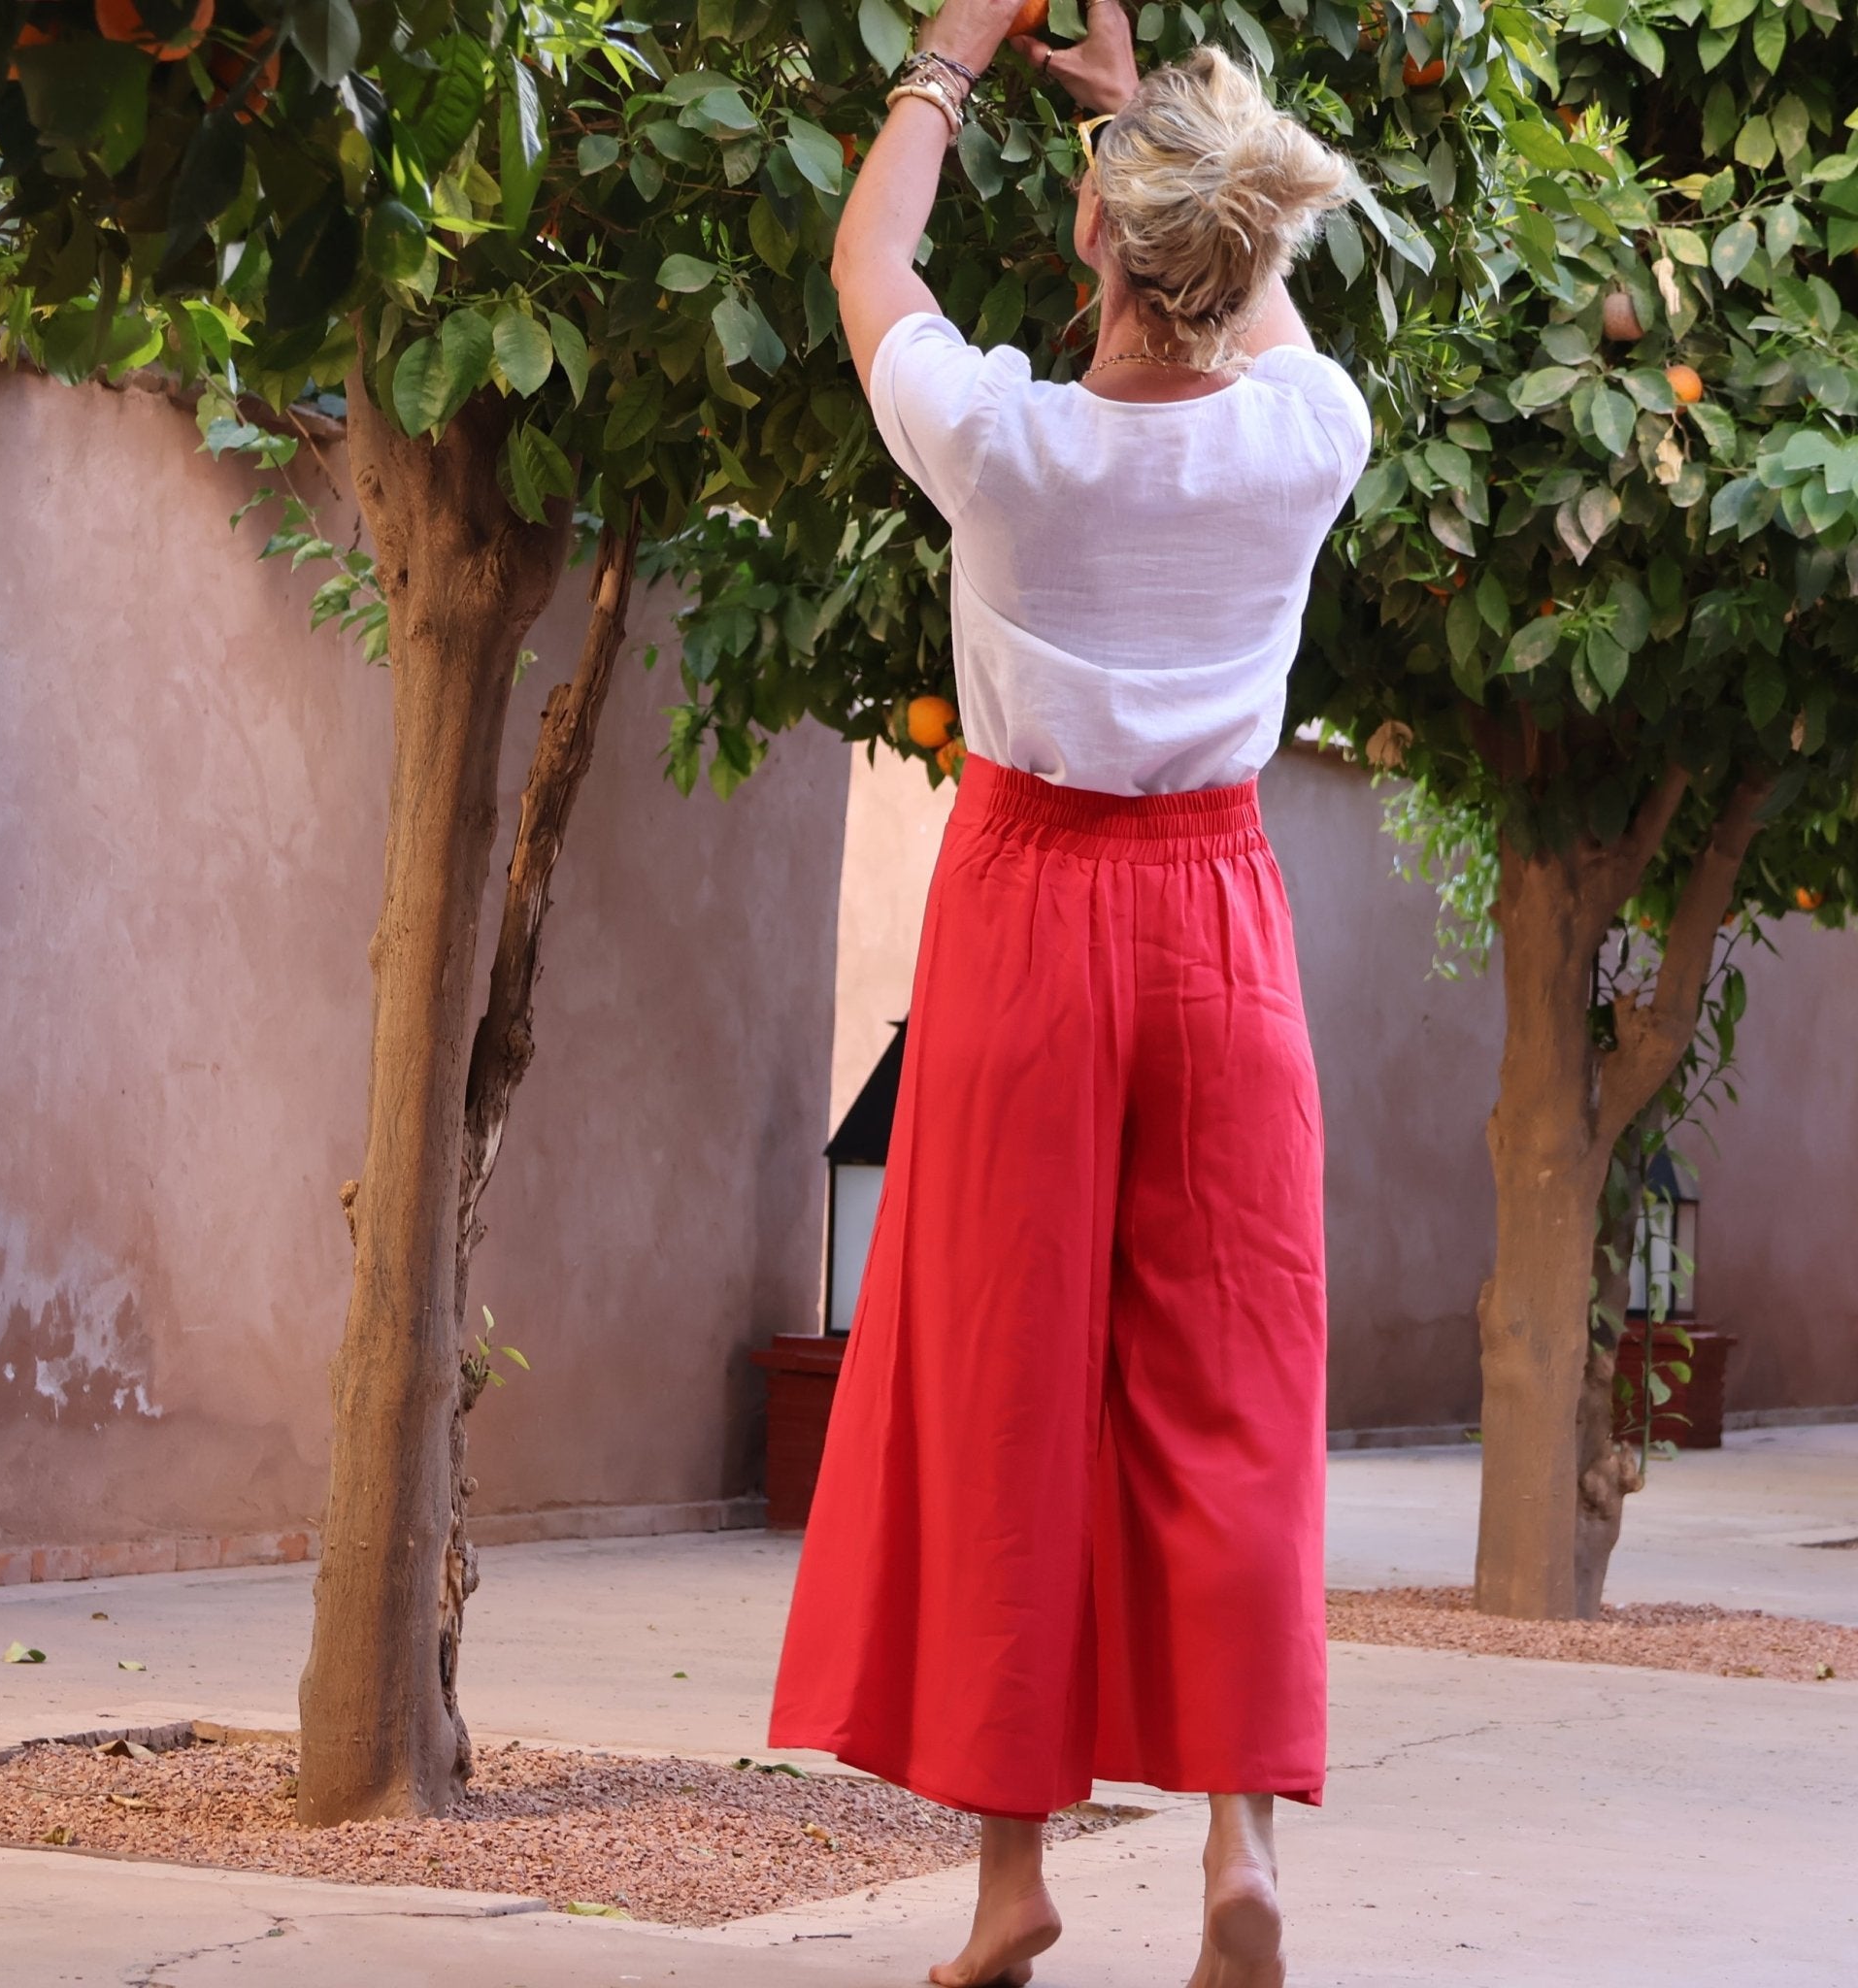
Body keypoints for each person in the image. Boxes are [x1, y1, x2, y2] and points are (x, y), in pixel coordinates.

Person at [768, 3, 1370, 1983]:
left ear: (1096, 242)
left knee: (1001, 1382)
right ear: (1242, 246)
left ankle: (1011, 1880)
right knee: (1232, 1382)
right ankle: (1238, 1849)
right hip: (1218, 922)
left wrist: (947, 59)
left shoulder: (1006, 445)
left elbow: (870, 255)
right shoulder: (1307, 439)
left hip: (1028, 915)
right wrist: (1141, 134)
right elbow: (1252, 307)